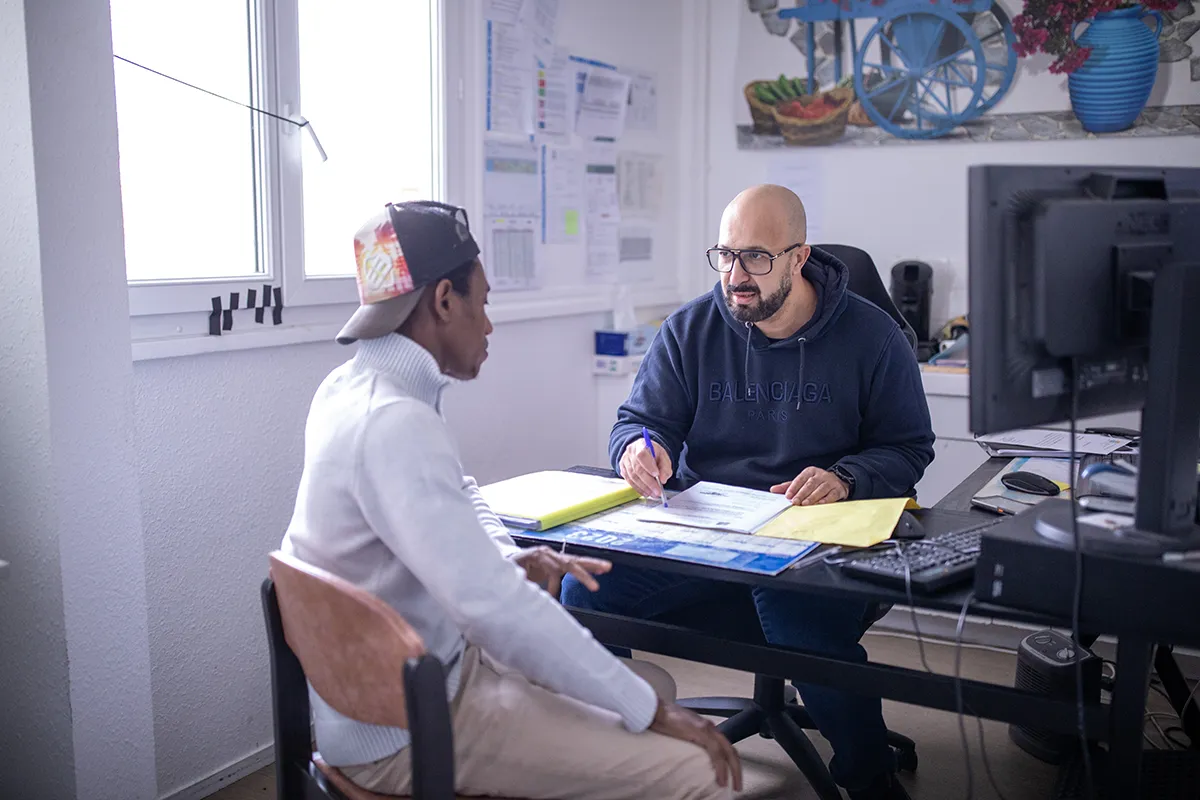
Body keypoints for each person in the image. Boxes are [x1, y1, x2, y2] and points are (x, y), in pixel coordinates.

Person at [280, 200, 741, 800]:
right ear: (445, 300)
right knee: (696, 761)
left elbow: (460, 499)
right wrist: (652, 715)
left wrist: (505, 559)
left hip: (411, 686)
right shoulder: (393, 422)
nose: (490, 324)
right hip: (413, 727)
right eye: (484, 301)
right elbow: (497, 613)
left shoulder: (354, 388)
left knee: (648, 681)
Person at [562, 185, 935, 800]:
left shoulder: (874, 339)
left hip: (814, 540)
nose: (736, 276)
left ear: (798, 256)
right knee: (584, 589)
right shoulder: (691, 329)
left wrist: (845, 477)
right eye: (726, 255)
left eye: (756, 258)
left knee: (794, 609)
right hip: (711, 534)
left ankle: (870, 778)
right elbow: (636, 422)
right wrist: (637, 449)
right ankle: (619, 757)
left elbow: (908, 449)